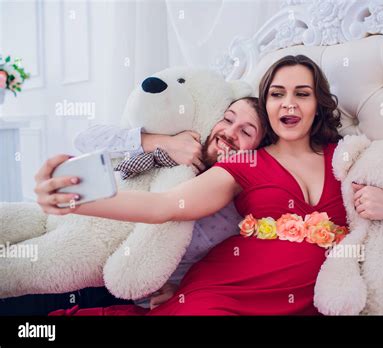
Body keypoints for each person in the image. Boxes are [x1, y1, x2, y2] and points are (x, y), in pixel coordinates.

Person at [36, 55, 383, 315]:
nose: (288, 105)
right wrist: (75, 200)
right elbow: (164, 205)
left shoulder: (347, 156)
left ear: (318, 104)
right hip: (219, 295)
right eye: (277, 94)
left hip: (306, 302)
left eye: (302, 94)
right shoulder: (246, 162)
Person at [0, 97, 263, 315]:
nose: (229, 132)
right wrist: (163, 142)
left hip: (97, 279)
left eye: (246, 132)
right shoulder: (181, 137)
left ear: (259, 153)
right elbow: (86, 139)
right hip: (61, 221)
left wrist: (179, 290)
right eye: (228, 119)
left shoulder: (233, 213)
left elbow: (215, 271)